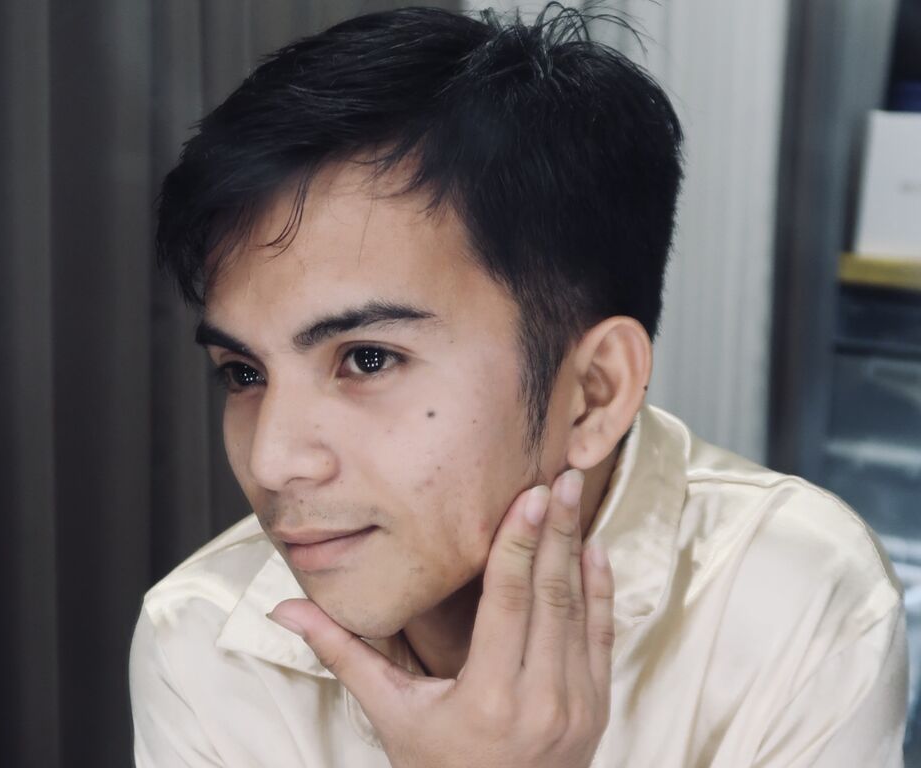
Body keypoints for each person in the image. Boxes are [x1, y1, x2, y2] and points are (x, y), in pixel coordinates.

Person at [128, 5, 908, 766]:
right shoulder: (200, 642)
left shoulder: (792, 600)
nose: (272, 462)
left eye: (367, 359)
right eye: (244, 373)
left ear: (595, 392)